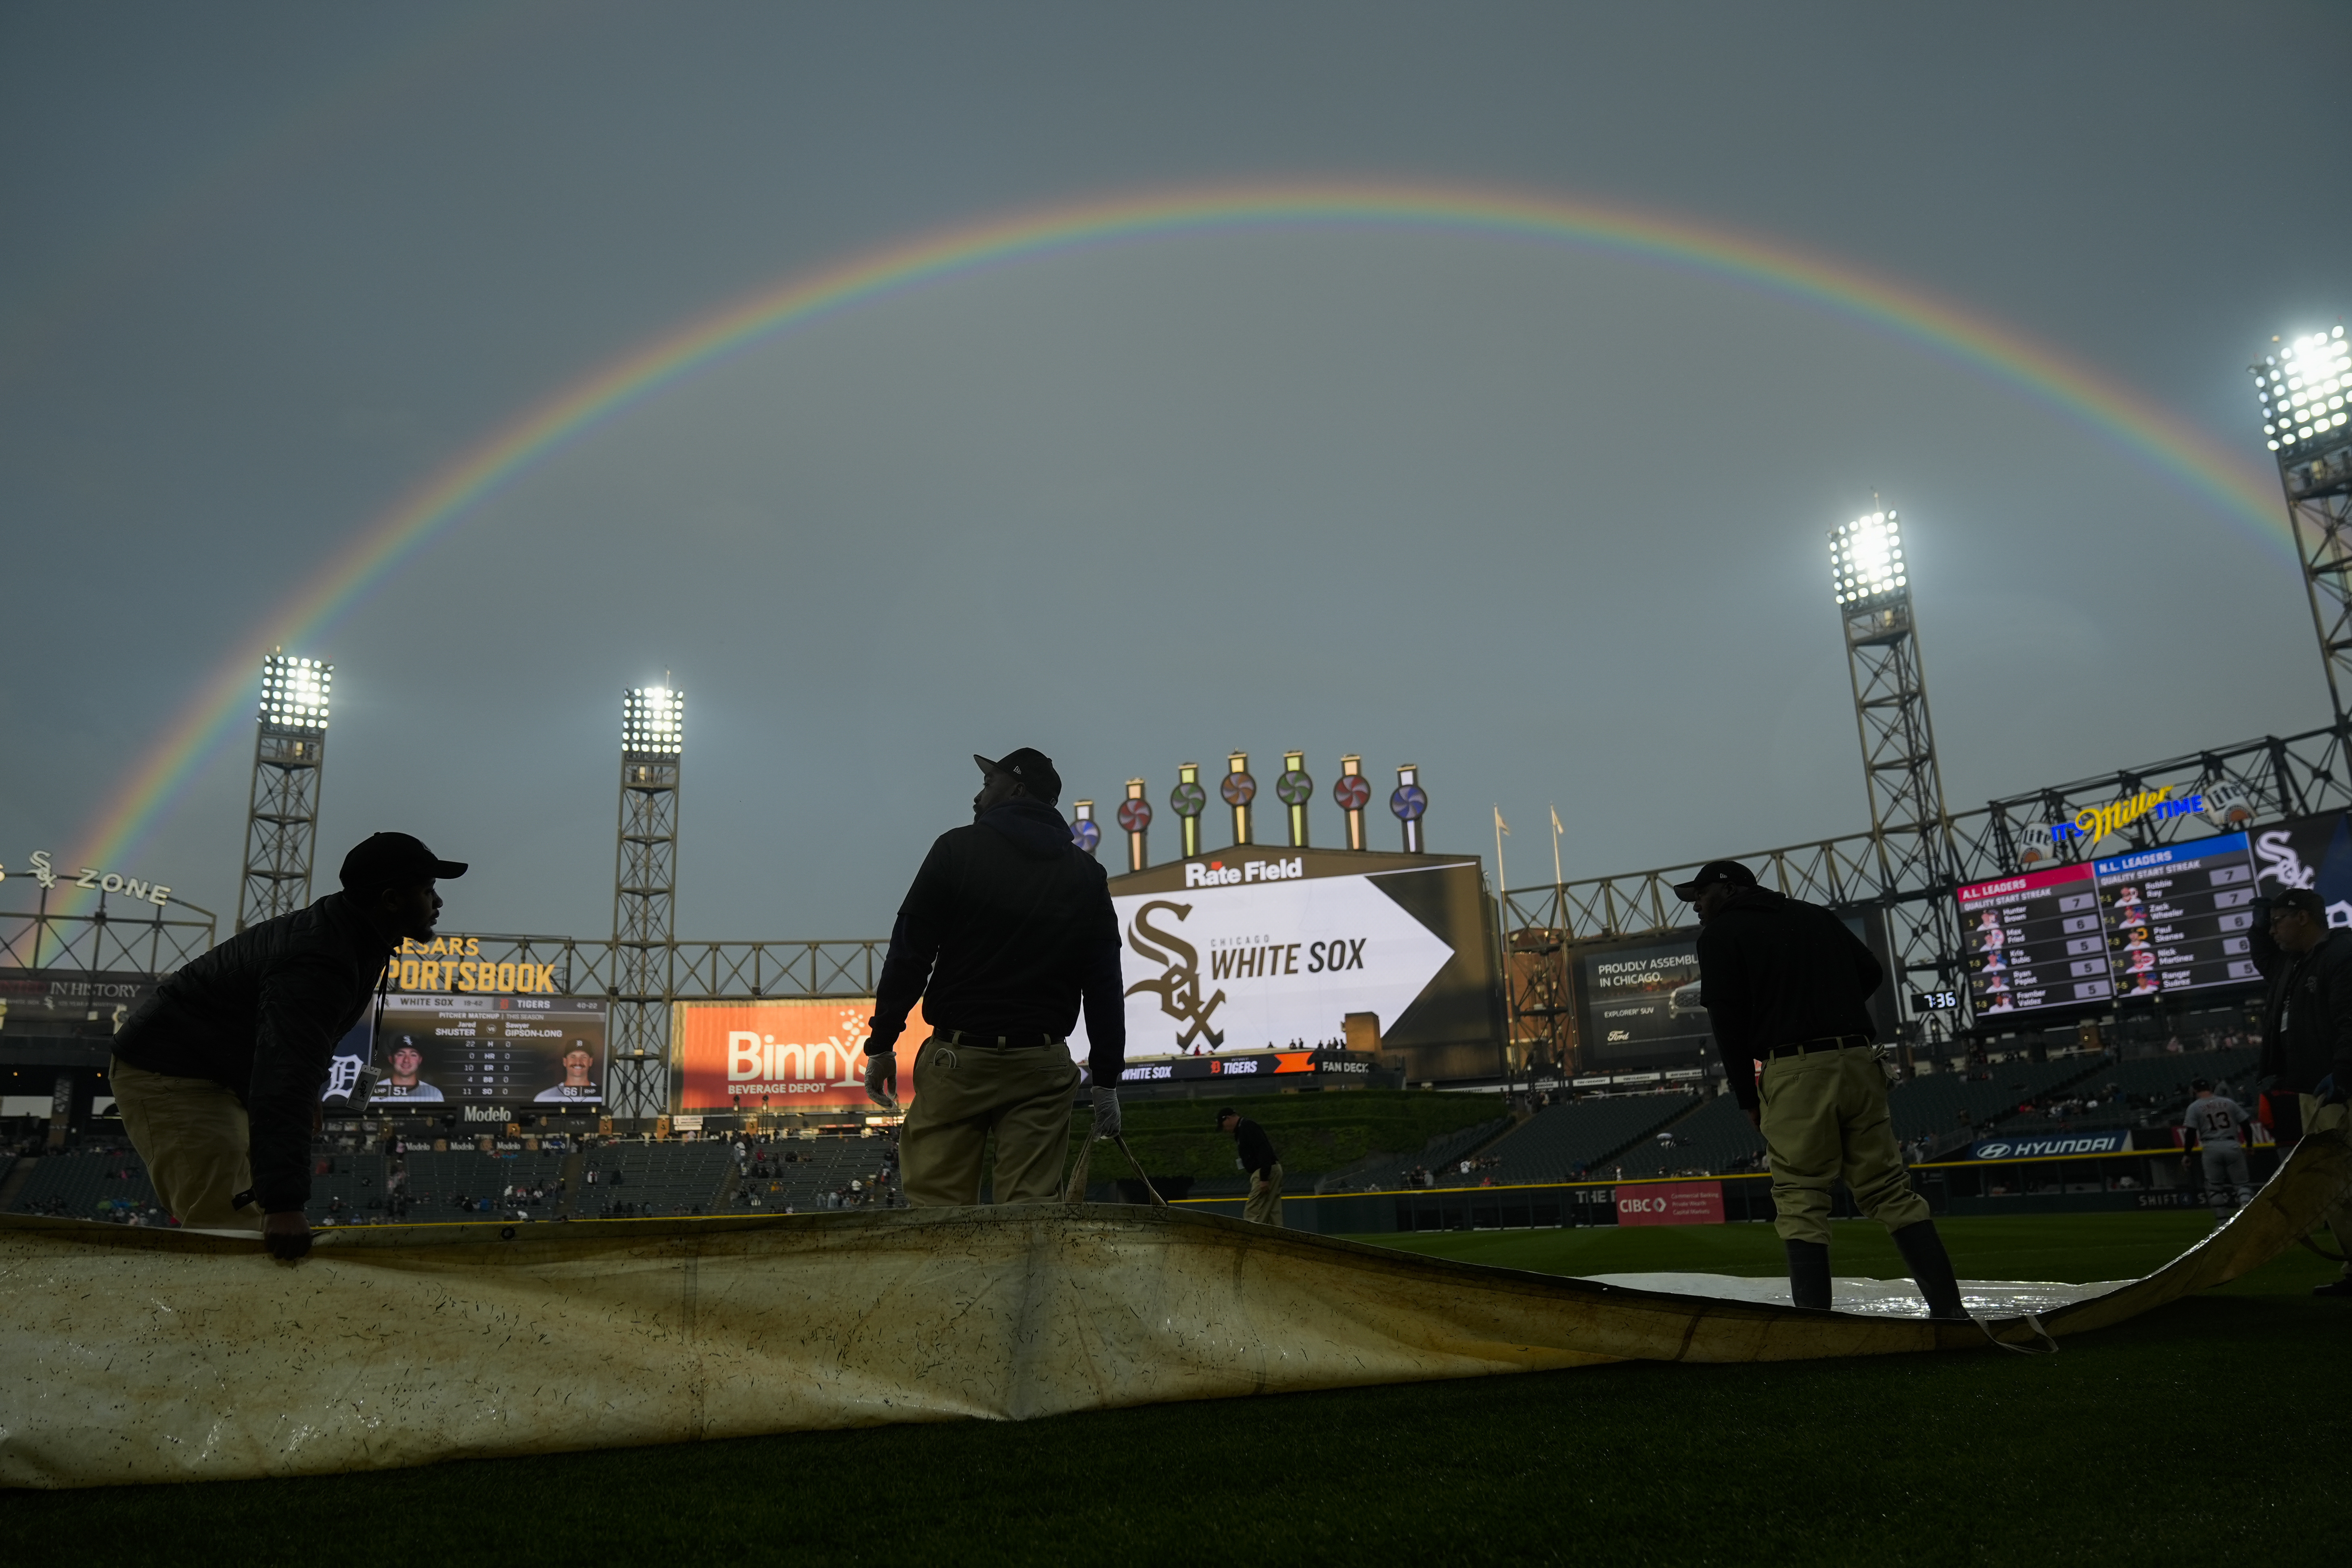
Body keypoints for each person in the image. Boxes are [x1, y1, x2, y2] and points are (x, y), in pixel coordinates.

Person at [108, 832, 463, 1259]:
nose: (437, 902)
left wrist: (307, 1087)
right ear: (390, 900)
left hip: (218, 1068)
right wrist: (286, 1205)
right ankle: (219, 1326)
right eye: (427, 891)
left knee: (248, 1218)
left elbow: (292, 1056)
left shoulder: (352, 936)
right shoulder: (319, 958)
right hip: (170, 1070)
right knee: (230, 1222)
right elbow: (283, 1074)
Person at [1681, 859, 1967, 1319]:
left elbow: (1728, 1026)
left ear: (1729, 889)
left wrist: (1747, 1098)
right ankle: (1951, 1312)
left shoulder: (1719, 935)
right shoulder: (1814, 914)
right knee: (1890, 1190)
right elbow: (1871, 971)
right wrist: (1828, 1001)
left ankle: (1815, 1326)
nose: (1695, 904)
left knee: (1800, 1197)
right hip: (1860, 1060)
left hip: (1796, 1069)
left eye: (1700, 894)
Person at [864, 748, 1126, 1206]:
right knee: (1028, 1226)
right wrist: (1106, 1077)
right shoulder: (1086, 874)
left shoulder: (955, 849)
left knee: (936, 1217)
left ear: (1017, 790)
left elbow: (910, 954)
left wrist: (883, 1041)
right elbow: (1103, 983)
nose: (979, 794)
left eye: (990, 784)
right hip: (1040, 1068)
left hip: (959, 1060)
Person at [2253, 888, 2352, 1296]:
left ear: (2303, 918)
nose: (2272, 929)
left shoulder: (2340, 954)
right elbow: (2263, 950)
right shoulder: (2290, 963)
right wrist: (2261, 914)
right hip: (2312, 1091)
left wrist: (2345, 1074)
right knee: (2336, 1193)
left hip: (2340, 1090)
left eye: (2278, 920)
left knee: (2346, 1185)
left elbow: (2351, 1018)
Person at [2183, 1079, 2254, 1221]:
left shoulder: (2194, 1107)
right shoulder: (2229, 1103)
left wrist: (2187, 1154)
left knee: (2215, 1188)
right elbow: (2246, 1124)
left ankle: (2222, 1222)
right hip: (2232, 1144)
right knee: (2242, 1185)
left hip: (2211, 1147)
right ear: (2210, 1088)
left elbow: (2190, 1133)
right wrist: (2250, 1145)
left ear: (2194, 1090)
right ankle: (2246, 1207)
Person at [1217, 1105, 1283, 1225]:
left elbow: (1264, 1150)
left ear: (1227, 1119)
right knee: (1272, 1211)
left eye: (1223, 1125)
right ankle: (1277, 1240)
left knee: (1253, 1211)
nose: (1224, 1129)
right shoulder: (1243, 1129)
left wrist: (1264, 1177)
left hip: (1266, 1171)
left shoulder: (1248, 1127)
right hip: (1270, 1170)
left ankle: (1250, 1241)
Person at [374, 1039, 445, 1102]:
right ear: (391, 1059)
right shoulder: (373, 1091)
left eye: (413, 1055)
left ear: (420, 1060)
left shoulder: (434, 1094)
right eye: (401, 1054)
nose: (406, 1060)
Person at [534, 1043, 601, 1102]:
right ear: (565, 1062)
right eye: (573, 1057)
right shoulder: (545, 1098)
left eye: (584, 1057)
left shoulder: (602, 1096)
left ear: (591, 1062)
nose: (578, 1062)